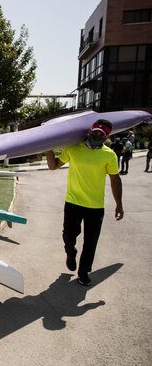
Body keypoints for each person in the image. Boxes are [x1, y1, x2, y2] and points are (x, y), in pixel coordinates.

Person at [45, 119, 123, 286]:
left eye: (101, 133)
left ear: (106, 136)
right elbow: (53, 166)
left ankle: (83, 272)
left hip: (95, 206)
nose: (97, 134)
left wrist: (119, 204)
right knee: (68, 235)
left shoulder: (109, 155)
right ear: (90, 130)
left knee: (91, 242)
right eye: (95, 131)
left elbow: (115, 180)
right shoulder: (74, 148)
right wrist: (47, 148)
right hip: (73, 202)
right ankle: (70, 252)